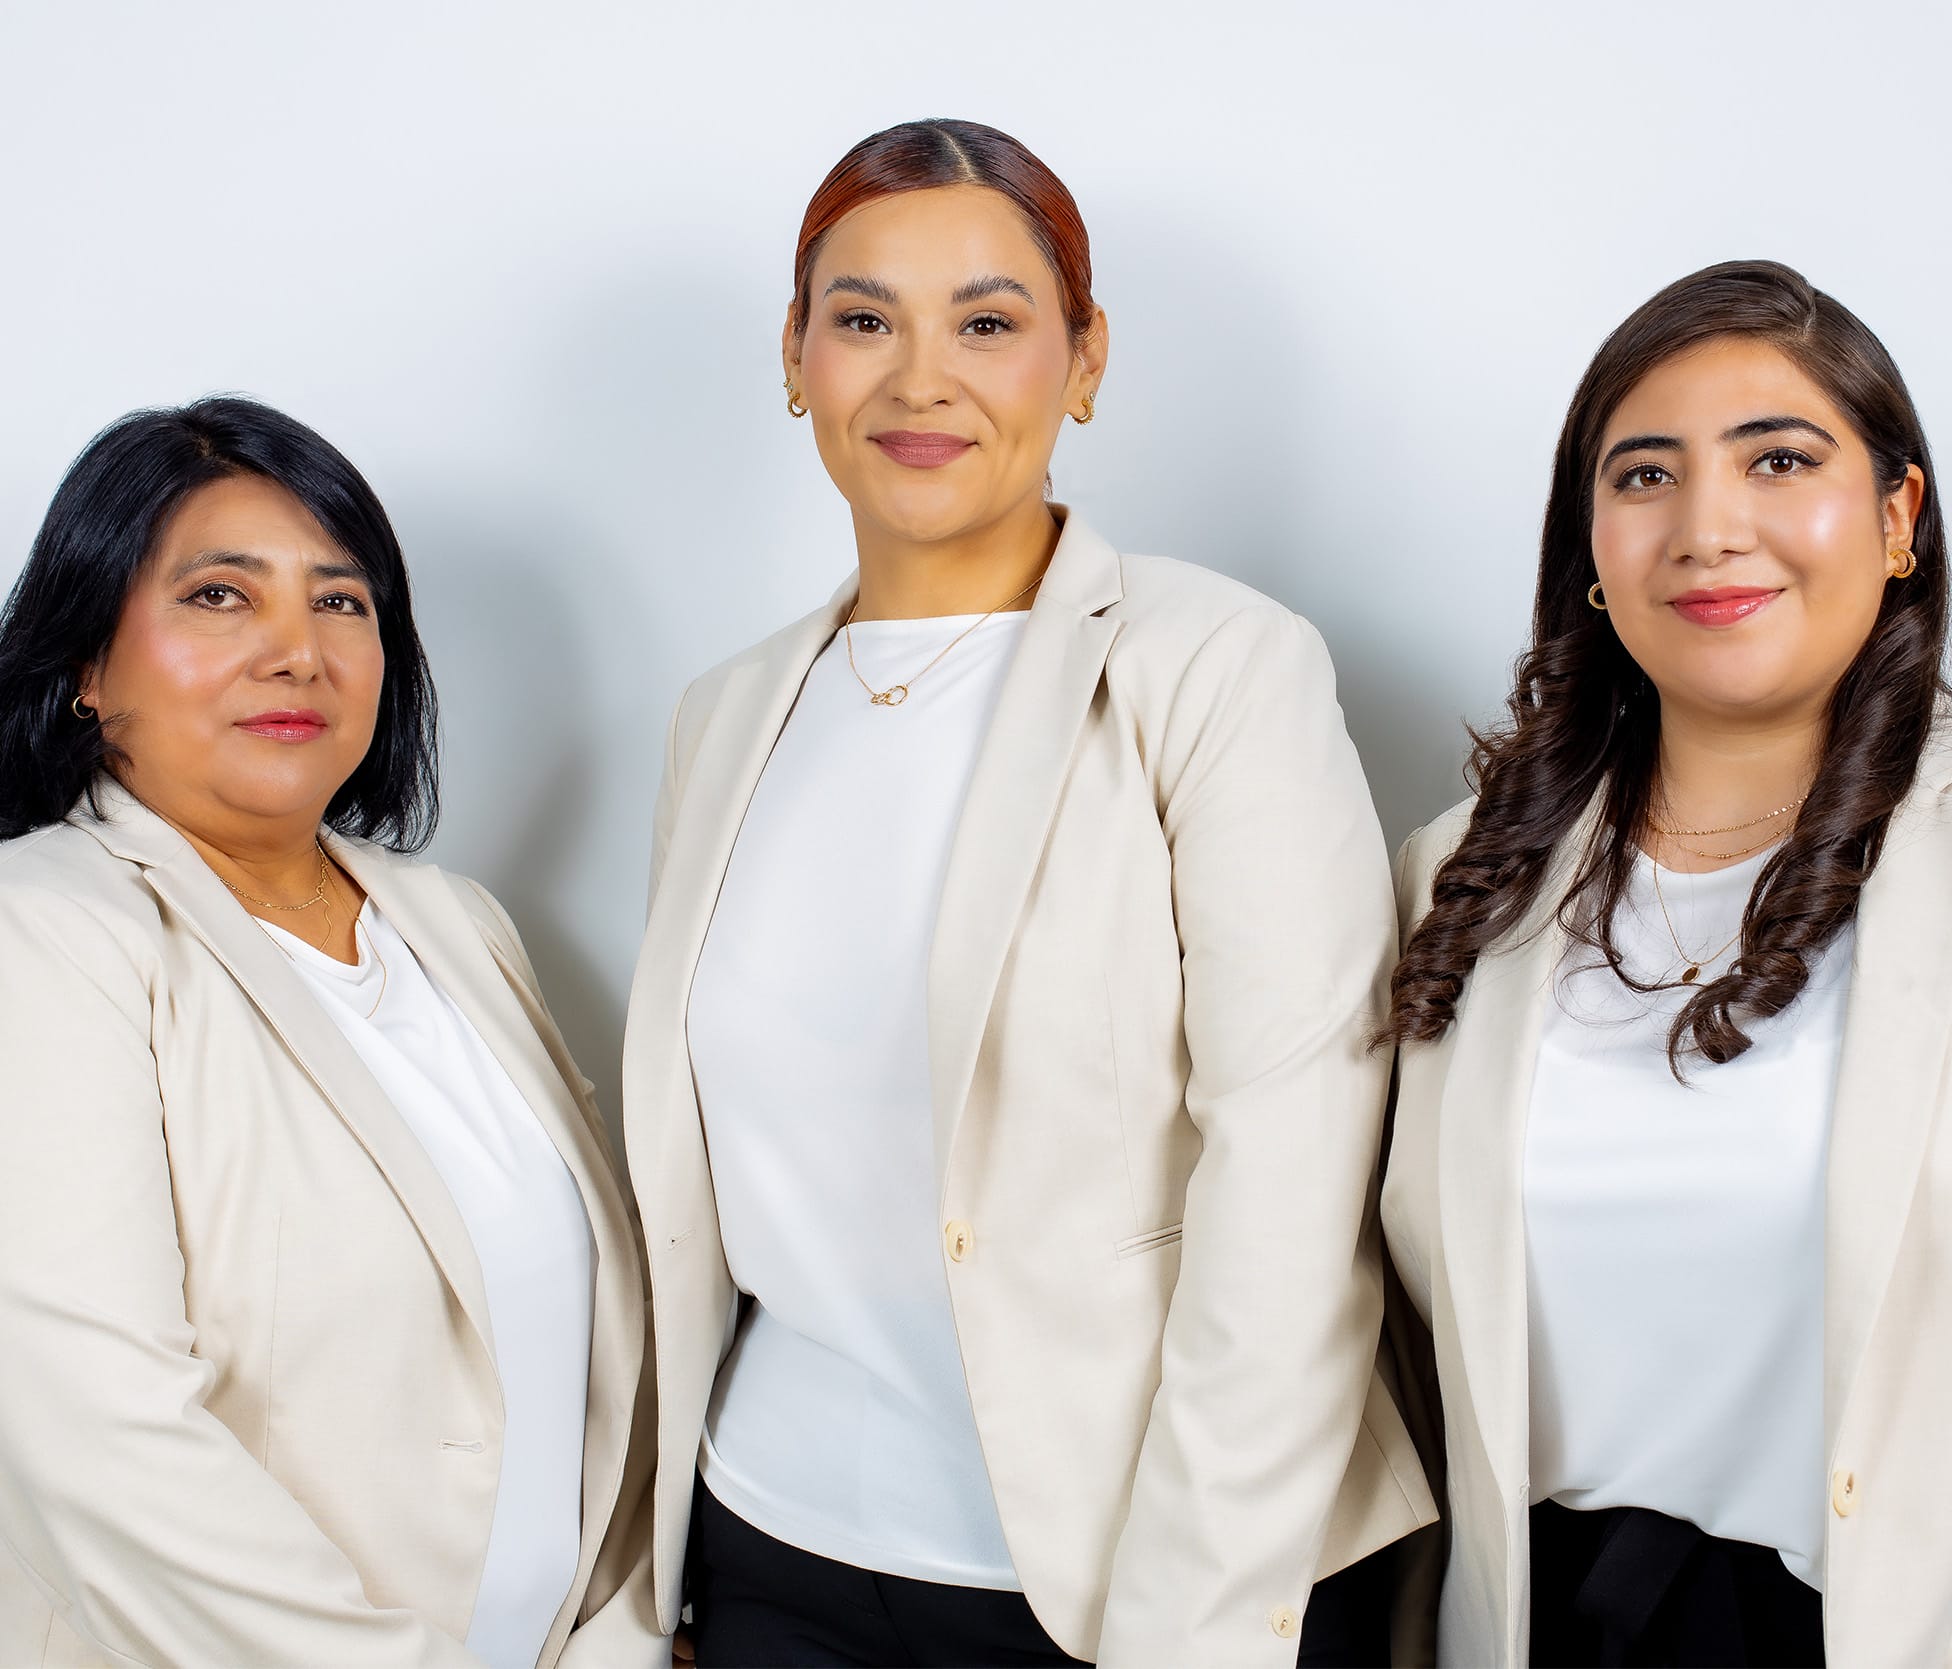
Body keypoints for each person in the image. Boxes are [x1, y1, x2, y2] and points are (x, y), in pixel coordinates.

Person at [622, 118, 1434, 1669]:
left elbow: (1292, 1174)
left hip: (1132, 1570)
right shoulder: (724, 715)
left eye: (988, 323)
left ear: (1084, 360)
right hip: (773, 1544)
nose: (920, 377)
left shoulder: (1218, 669)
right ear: (795, 355)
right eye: (863, 319)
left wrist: (1188, 1628)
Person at [0, 398, 656, 1669]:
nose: (296, 651)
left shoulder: (457, 926)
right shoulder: (45, 932)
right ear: (87, 665)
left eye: (342, 602)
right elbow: (97, 1432)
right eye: (219, 598)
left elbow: (605, 1359)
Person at [1379, 260, 1952, 1666]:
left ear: (1897, 517)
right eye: (1646, 475)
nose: (1709, 527)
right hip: (1530, 1617)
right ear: (1590, 539)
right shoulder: (1460, 875)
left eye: (1779, 460)